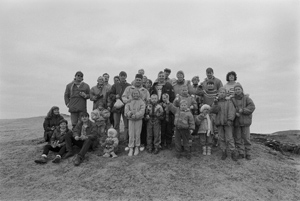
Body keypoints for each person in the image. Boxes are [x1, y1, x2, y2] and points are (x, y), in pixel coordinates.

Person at [122, 74, 150, 151]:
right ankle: (130, 144)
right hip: (130, 109)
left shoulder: (145, 90)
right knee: (130, 129)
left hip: (141, 110)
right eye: (137, 79)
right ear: (134, 80)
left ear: (142, 81)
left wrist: (145, 108)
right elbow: (123, 96)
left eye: (139, 80)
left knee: (141, 129)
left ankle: (140, 144)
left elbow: (148, 100)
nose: (138, 81)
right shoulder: (129, 88)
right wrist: (127, 101)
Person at [210, 88, 237, 161]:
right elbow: (213, 111)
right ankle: (223, 151)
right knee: (221, 138)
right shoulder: (216, 102)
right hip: (219, 123)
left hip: (227, 123)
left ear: (226, 93)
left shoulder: (229, 102)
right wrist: (215, 104)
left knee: (229, 138)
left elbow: (232, 111)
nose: (222, 93)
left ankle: (232, 151)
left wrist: (230, 119)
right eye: (220, 92)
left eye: (223, 92)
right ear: (218, 93)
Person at [151, 71, 175, 149]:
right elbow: (152, 96)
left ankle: (168, 143)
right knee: (160, 127)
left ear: (165, 77)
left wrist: (168, 104)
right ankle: (161, 142)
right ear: (158, 77)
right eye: (160, 76)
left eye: (162, 76)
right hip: (157, 108)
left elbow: (172, 97)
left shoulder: (168, 85)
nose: (161, 77)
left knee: (168, 126)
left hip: (167, 108)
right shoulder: (154, 85)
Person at [231, 83, 255, 160]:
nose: (237, 91)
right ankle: (241, 153)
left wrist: (243, 110)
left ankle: (248, 153)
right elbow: (230, 109)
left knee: (246, 138)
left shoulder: (247, 98)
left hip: (245, 121)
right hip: (237, 121)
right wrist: (235, 113)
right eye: (236, 90)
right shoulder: (232, 99)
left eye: (239, 89)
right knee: (238, 138)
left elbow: (252, 107)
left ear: (242, 90)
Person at [107, 71, 131, 143]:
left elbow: (131, 96)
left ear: (126, 77)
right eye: (121, 76)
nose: (123, 77)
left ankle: (125, 139)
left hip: (125, 107)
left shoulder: (129, 86)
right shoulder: (115, 85)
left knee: (126, 125)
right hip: (116, 107)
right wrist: (115, 96)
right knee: (116, 125)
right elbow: (110, 95)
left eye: (124, 75)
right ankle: (116, 139)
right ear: (119, 76)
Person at [124, 89, 146, 156]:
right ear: (132, 94)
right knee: (131, 134)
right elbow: (126, 110)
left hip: (138, 120)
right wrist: (130, 114)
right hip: (131, 120)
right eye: (134, 93)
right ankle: (131, 147)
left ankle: (137, 146)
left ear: (139, 94)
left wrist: (136, 115)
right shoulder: (129, 101)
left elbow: (142, 111)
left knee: (137, 133)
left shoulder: (141, 102)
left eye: (137, 93)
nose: (135, 95)